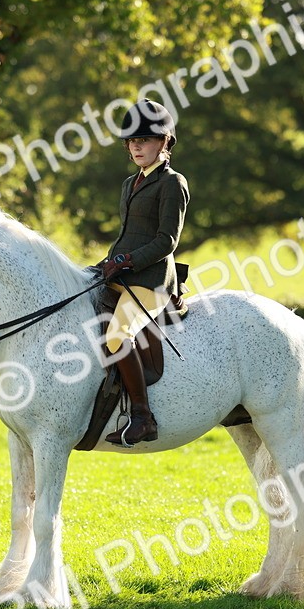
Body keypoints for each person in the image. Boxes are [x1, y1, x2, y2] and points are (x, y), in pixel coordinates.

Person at [96, 99, 190, 446]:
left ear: (164, 142)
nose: (136, 145)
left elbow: (166, 240)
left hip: (150, 281)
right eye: (132, 141)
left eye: (145, 139)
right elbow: (126, 235)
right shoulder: (128, 183)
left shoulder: (172, 183)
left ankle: (142, 416)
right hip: (121, 274)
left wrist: (127, 261)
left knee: (117, 336)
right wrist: (106, 263)